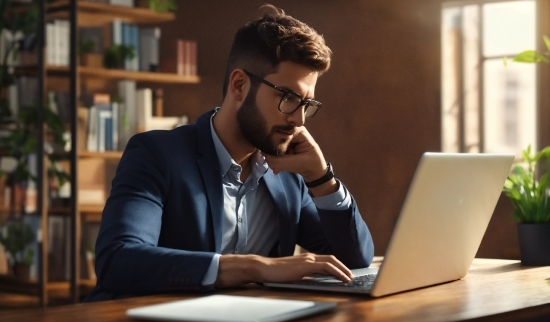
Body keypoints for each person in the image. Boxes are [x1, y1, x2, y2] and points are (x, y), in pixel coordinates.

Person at [85, 4, 374, 302]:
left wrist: (321, 177)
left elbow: (355, 259)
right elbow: (118, 260)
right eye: (288, 98)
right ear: (239, 85)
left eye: (306, 104)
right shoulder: (157, 154)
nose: (299, 120)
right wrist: (254, 267)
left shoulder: (289, 174)